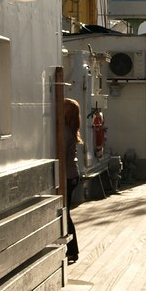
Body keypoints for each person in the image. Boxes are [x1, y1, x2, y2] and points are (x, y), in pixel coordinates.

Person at [62, 98, 82, 261]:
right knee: (66, 212)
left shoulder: (64, 132)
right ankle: (71, 249)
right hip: (73, 175)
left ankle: (72, 249)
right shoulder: (70, 129)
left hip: (67, 176)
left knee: (65, 213)